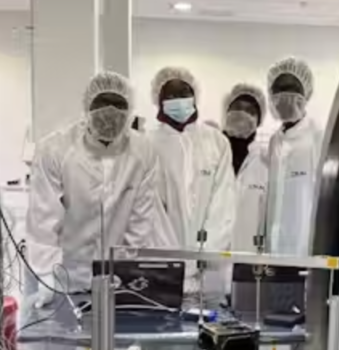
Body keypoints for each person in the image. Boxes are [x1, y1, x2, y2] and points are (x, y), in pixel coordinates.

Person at [26, 71, 171, 307]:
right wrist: (46, 276)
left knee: (115, 341)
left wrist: (124, 271)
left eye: (118, 105)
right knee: (63, 338)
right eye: (102, 104)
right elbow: (43, 219)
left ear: (130, 111)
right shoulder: (56, 149)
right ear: (87, 108)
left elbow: (140, 221)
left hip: (114, 280)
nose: (110, 113)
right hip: (64, 276)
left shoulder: (143, 152)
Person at [147, 66, 236, 257]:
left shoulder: (216, 142)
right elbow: (151, 210)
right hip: (163, 262)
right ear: (159, 100)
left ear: (195, 97)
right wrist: (171, 259)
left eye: (184, 93)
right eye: (170, 96)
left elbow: (224, 202)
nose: (178, 100)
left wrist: (206, 252)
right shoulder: (148, 144)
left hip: (208, 263)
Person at [266, 57, 323, 256]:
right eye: (279, 89)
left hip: (304, 252)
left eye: (292, 88)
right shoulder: (274, 141)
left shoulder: (318, 138)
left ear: (305, 93)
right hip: (271, 252)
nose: (285, 95)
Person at [222, 83, 269, 252]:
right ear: (226, 111)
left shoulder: (265, 162)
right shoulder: (209, 154)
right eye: (238, 107)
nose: (243, 114)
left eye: (251, 111)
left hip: (246, 255)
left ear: (259, 120)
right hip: (207, 258)